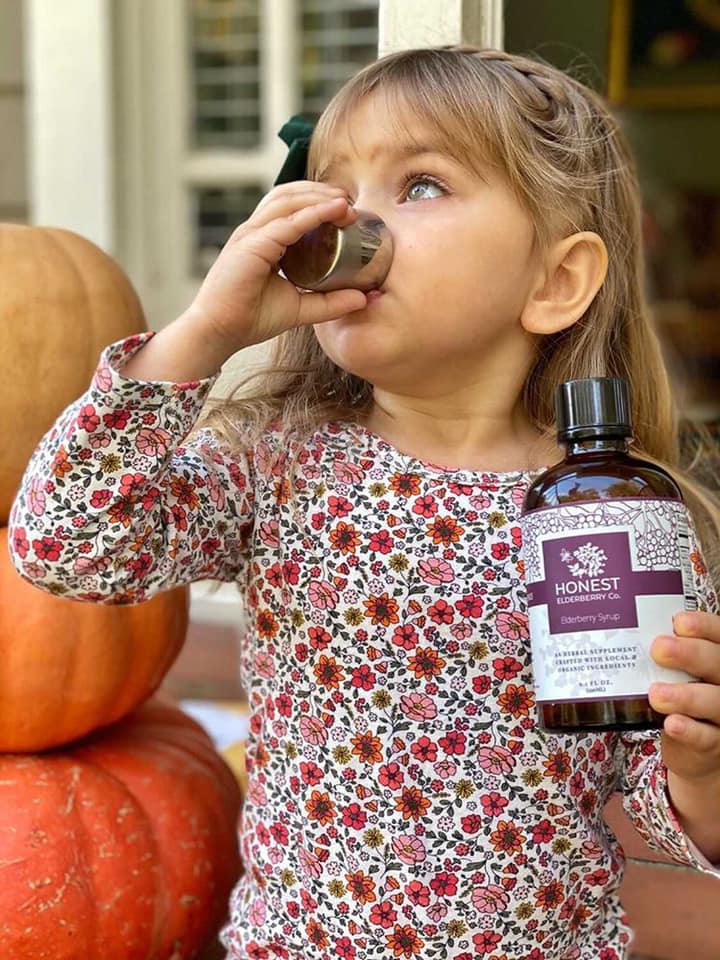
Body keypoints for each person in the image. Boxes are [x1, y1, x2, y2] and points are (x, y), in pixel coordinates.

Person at [8, 46, 720, 960]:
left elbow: (651, 786)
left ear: (555, 283)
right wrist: (204, 333)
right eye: (331, 185)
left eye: (420, 184)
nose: (348, 217)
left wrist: (700, 773)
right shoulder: (277, 460)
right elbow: (67, 545)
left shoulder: (612, 517)